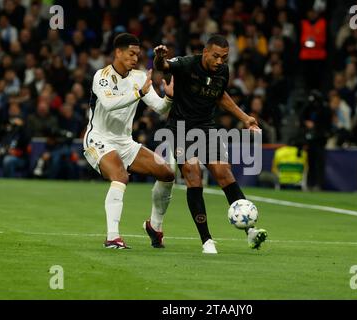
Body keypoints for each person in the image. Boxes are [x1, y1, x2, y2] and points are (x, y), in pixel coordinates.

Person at [154, 35, 268, 254]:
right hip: (180, 127)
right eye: (215, 56)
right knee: (193, 173)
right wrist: (159, 58)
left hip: (206, 127)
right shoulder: (187, 64)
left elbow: (221, 96)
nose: (219, 62)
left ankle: (250, 232)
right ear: (205, 52)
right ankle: (206, 240)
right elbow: (164, 66)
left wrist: (245, 117)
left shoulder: (223, 72)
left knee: (224, 173)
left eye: (224, 58)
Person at [83, 33, 175, 249]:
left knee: (167, 173)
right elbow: (108, 103)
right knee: (120, 176)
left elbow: (160, 108)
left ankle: (155, 226)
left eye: (138, 55)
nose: (135, 58)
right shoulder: (102, 76)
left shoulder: (140, 77)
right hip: (98, 139)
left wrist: (169, 98)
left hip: (125, 142)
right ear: (118, 52)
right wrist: (138, 93)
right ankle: (112, 237)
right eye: (131, 53)